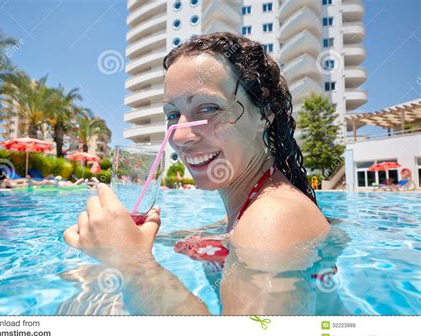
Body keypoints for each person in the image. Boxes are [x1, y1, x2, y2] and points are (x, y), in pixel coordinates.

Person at [63, 32, 334, 315]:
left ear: (264, 113)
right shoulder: (250, 210)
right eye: (172, 114)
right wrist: (119, 238)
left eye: (208, 107)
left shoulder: (273, 219)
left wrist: (131, 263)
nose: (181, 136)